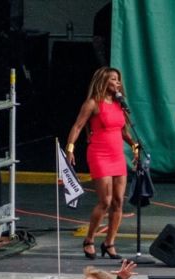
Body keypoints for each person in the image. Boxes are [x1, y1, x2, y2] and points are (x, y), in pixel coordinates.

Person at [65, 66, 141, 259]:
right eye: (113, 79)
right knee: (105, 201)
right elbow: (78, 126)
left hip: (117, 156)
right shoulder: (93, 103)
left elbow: (124, 132)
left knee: (118, 201)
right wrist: (70, 149)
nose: (117, 82)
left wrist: (135, 146)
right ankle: (89, 239)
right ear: (104, 81)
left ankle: (109, 243)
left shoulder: (119, 104)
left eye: (118, 79)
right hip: (99, 154)